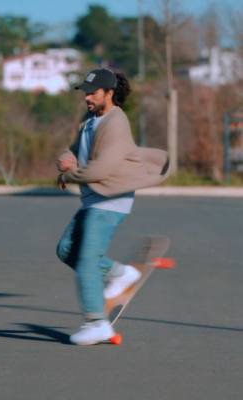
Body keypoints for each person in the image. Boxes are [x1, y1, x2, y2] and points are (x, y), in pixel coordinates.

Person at [56, 68, 169, 345]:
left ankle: (96, 323)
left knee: (86, 261)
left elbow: (100, 169)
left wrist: (68, 176)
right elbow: (74, 149)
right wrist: (65, 158)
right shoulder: (91, 121)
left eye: (92, 92)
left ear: (109, 93)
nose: (87, 97)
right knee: (66, 249)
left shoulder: (116, 124)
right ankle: (121, 273)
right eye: (85, 92)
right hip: (95, 197)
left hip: (110, 198)